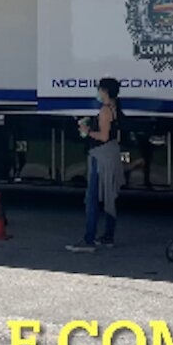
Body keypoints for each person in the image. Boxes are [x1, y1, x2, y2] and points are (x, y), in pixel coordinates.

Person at [66, 77, 126, 253]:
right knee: (110, 195)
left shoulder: (105, 111)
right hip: (112, 154)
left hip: (101, 156)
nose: (98, 92)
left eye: (99, 89)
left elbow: (104, 136)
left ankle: (89, 239)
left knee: (92, 197)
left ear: (105, 91)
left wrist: (87, 131)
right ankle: (108, 236)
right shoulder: (116, 108)